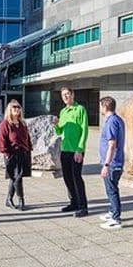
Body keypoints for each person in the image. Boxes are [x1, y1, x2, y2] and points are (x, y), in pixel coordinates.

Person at [53, 87, 89, 217]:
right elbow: (59, 132)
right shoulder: (63, 111)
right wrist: (56, 125)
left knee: (76, 178)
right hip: (65, 150)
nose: (66, 97)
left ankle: (83, 206)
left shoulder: (80, 109)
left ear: (73, 94)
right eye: (63, 95)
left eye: (68, 94)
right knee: (67, 178)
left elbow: (84, 130)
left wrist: (79, 149)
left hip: (76, 151)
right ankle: (74, 202)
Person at [0, 99, 32, 211]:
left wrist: (29, 148)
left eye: (18, 107)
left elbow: (27, 138)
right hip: (11, 154)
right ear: (9, 110)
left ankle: (8, 199)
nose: (17, 109)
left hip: (23, 153)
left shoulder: (22, 123)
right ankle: (21, 200)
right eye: (14, 107)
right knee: (17, 177)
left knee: (14, 177)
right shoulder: (6, 124)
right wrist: (6, 153)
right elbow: (1, 141)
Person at [99, 96, 126, 230]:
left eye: (101, 106)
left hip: (112, 163)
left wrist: (106, 165)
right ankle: (112, 212)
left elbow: (112, 145)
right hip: (116, 162)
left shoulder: (111, 122)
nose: (101, 109)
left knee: (112, 190)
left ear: (105, 107)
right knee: (111, 189)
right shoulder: (118, 119)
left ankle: (116, 218)